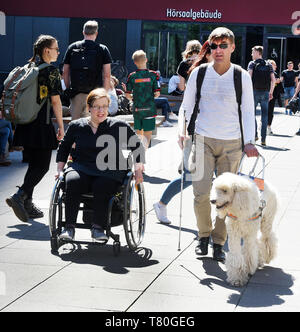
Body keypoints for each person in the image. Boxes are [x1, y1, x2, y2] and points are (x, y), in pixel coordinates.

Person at [181, 27, 258, 262]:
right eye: (214, 46)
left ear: (233, 47)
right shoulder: (199, 73)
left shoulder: (241, 75)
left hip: (232, 144)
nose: (218, 50)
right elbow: (187, 106)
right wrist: (182, 133)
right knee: (200, 193)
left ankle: (218, 241)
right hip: (203, 139)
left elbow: (247, 110)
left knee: (227, 198)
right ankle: (203, 236)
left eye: (223, 45)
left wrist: (250, 142)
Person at [56, 88, 144, 241]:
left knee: (102, 185)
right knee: (72, 181)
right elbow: (64, 147)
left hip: (110, 169)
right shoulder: (77, 126)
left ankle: (98, 228)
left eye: (104, 106)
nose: (101, 110)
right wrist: (59, 170)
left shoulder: (118, 126)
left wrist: (138, 170)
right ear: (89, 107)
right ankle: (69, 227)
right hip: (82, 166)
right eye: (97, 106)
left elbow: (137, 146)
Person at [6, 34, 64, 222]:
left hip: (25, 122)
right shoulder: (51, 71)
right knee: (42, 166)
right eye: (56, 48)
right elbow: (55, 101)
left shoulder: (30, 68)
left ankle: (28, 204)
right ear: (47, 50)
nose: (58, 52)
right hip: (42, 123)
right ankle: (20, 196)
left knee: (34, 165)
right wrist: (61, 126)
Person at [153, 41, 212, 224]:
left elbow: (181, 88)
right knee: (190, 176)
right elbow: (185, 102)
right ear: (207, 52)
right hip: (195, 128)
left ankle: (208, 222)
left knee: (208, 177)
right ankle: (161, 203)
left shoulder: (215, 70)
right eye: (216, 49)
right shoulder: (196, 70)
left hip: (213, 130)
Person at [62, 20, 112, 120]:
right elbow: (107, 75)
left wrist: (69, 89)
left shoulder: (72, 47)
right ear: (96, 33)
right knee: (93, 124)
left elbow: (65, 72)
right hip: (95, 95)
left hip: (76, 93)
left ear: (83, 32)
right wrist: (104, 95)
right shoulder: (102, 49)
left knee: (75, 125)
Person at [125, 50, 160, 149]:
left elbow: (127, 95)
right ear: (146, 60)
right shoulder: (154, 75)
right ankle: (144, 151)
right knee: (148, 132)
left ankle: (139, 151)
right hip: (149, 109)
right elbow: (157, 94)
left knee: (139, 132)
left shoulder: (132, 76)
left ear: (135, 62)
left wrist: (134, 97)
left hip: (137, 109)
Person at [247, 46, 275, 146]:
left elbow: (248, 77)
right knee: (264, 117)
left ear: (258, 53)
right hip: (265, 93)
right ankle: (263, 140)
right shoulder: (268, 64)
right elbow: (273, 80)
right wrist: (271, 92)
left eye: (253, 52)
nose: (251, 54)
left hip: (254, 92)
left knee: (252, 115)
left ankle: (255, 135)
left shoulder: (252, 64)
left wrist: (247, 91)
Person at [267, 59, 283, 135]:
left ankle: (268, 126)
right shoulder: (267, 73)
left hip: (273, 95)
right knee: (267, 111)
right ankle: (266, 126)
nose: (276, 66)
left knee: (270, 111)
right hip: (266, 94)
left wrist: (278, 81)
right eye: (274, 65)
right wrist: (275, 81)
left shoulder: (275, 73)